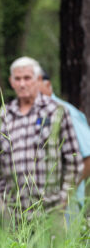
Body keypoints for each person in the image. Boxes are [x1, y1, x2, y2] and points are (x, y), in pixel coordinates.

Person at [0, 56, 81, 223]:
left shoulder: (56, 111)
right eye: (17, 79)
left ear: (38, 80)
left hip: (52, 212)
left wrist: (63, 199)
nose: (22, 84)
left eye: (27, 78)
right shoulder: (3, 116)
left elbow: (73, 161)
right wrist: (3, 203)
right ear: (11, 82)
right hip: (15, 215)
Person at [39, 70, 90, 211]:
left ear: (47, 85)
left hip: (65, 208)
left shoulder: (67, 112)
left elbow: (88, 158)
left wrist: (65, 197)